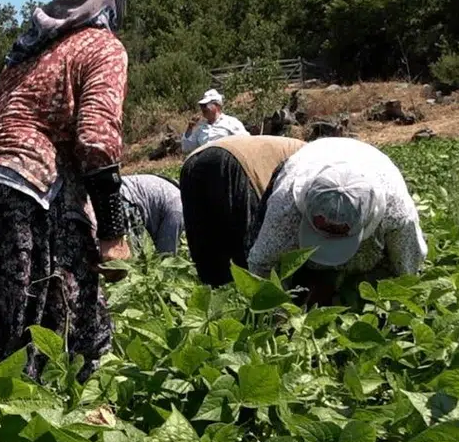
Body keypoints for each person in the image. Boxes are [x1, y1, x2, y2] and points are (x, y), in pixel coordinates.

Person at [0, 0, 130, 383]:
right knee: (75, 338)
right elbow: (95, 138)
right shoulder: (100, 47)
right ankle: (78, 433)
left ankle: (13, 436)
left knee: (14, 343)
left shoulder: (27, 51)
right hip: (35, 190)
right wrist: (113, 232)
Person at [247, 137, 427, 305]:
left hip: (374, 162)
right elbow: (262, 264)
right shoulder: (286, 205)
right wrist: (278, 314)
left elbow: (407, 271)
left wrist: (394, 313)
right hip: (309, 158)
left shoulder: (397, 214)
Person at [179, 135, 305, 285]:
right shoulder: (320, 162)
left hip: (193, 160)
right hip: (234, 162)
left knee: (207, 248)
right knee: (247, 253)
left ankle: (218, 299)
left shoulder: (310, 150)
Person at [121, 174, 183, 254]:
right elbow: (166, 252)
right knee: (134, 258)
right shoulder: (178, 210)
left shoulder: (171, 190)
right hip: (125, 200)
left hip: (110, 189)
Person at [181, 89, 248, 154]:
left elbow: (246, 142)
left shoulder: (231, 122)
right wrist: (189, 128)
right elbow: (186, 148)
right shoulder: (201, 128)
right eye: (201, 106)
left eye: (205, 105)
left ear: (217, 105)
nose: (203, 108)